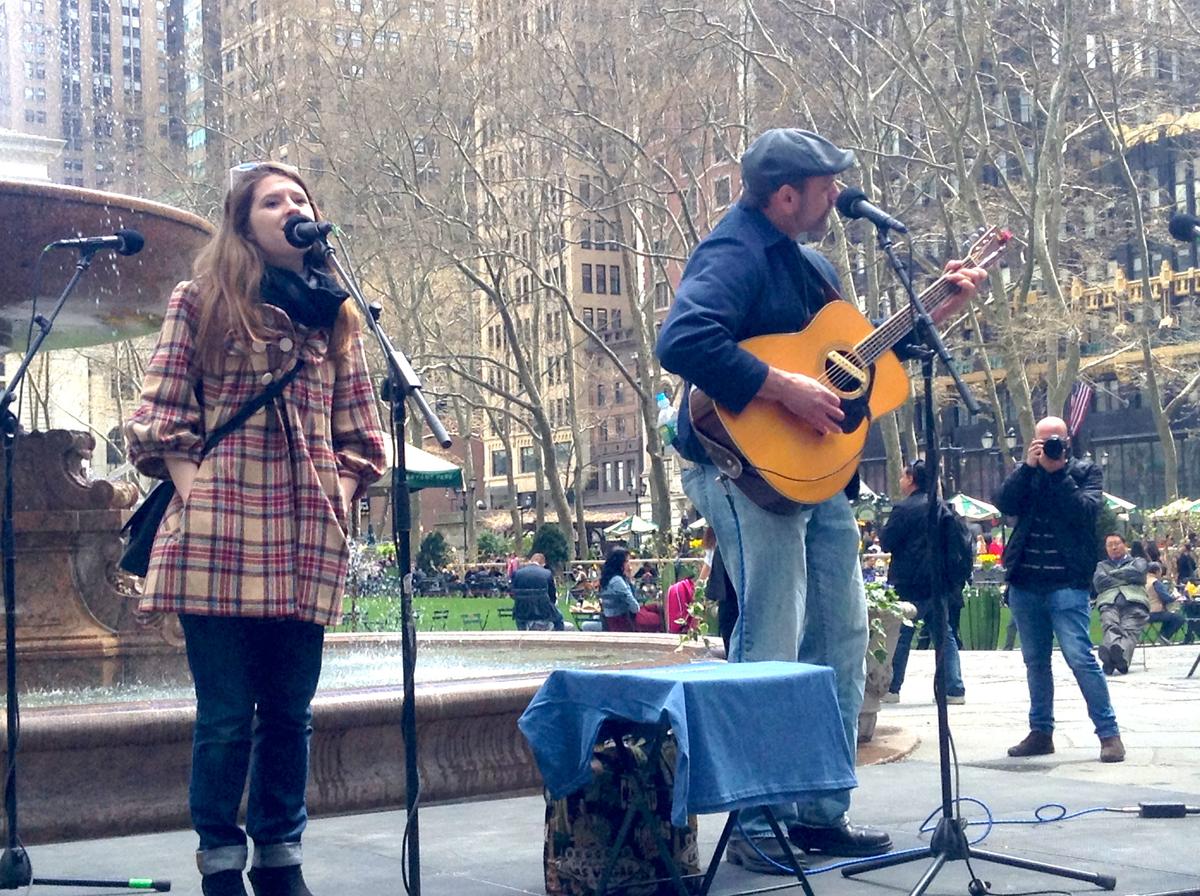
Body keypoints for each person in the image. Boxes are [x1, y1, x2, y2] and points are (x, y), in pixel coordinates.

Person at [654, 127, 987, 873]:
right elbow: (682, 340)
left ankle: (818, 808)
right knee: (771, 637)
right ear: (784, 196)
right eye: (826, 185)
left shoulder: (813, 266)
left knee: (842, 630)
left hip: (819, 473)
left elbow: (859, 361)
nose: (838, 195)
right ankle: (756, 820)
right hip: (741, 468)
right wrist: (782, 389)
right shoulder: (733, 250)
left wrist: (940, 311)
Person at [124, 161, 388, 896]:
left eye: (299, 197)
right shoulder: (201, 300)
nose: (291, 207)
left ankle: (280, 855)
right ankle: (219, 861)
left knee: (289, 715)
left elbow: (362, 434)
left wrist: (338, 493)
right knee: (225, 716)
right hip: (218, 535)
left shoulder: (336, 314)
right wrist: (197, 494)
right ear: (242, 224)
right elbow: (159, 415)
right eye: (272, 201)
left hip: (304, 537)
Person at [993, 416, 1124, 763]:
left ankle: (1109, 734)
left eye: (1056, 440)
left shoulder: (1085, 472)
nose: (1050, 446)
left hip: (1066, 583)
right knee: (1035, 661)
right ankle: (1041, 732)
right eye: (1043, 440)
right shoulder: (1027, 473)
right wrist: (1027, 468)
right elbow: (1004, 503)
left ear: (1067, 442)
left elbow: (1085, 512)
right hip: (1025, 584)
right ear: (1033, 442)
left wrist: (1058, 474)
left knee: (1080, 657)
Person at [879, 460, 966, 705]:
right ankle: (954, 688)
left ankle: (892, 687)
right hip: (938, 581)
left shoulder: (903, 509)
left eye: (903, 475)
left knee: (902, 634)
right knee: (944, 634)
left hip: (908, 582)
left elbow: (886, 541)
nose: (900, 480)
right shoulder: (943, 508)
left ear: (911, 479)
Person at [1093, 533, 1150, 674]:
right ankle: (1119, 659)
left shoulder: (1138, 561)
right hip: (1109, 602)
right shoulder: (1101, 565)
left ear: (1125, 545)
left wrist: (1112, 575)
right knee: (1109, 624)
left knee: (1129, 629)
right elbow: (1099, 583)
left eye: (1117, 544)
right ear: (1106, 548)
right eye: (1109, 545)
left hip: (1135, 602)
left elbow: (1138, 574)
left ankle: (1110, 657)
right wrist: (1126, 578)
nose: (1114, 547)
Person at [510, 552, 567, 631]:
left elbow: (512, 592)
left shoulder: (517, 573)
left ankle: (522, 632)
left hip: (521, 610)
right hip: (543, 609)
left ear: (531, 561)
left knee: (519, 617)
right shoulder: (547, 573)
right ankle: (558, 636)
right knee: (559, 618)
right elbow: (552, 595)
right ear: (543, 564)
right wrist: (552, 604)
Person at [598, 548, 640, 631]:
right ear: (619, 563)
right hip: (623, 622)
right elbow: (635, 608)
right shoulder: (617, 581)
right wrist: (629, 581)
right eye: (627, 561)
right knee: (658, 612)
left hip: (611, 620)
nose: (629, 564)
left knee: (656, 607)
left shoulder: (607, 579)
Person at [1145, 561, 1185, 643]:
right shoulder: (1155, 582)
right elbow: (1166, 598)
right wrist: (1175, 597)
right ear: (1157, 571)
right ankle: (1164, 635)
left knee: (1169, 616)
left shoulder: (1144, 581)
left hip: (1144, 612)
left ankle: (1162, 636)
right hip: (1154, 612)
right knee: (1179, 618)